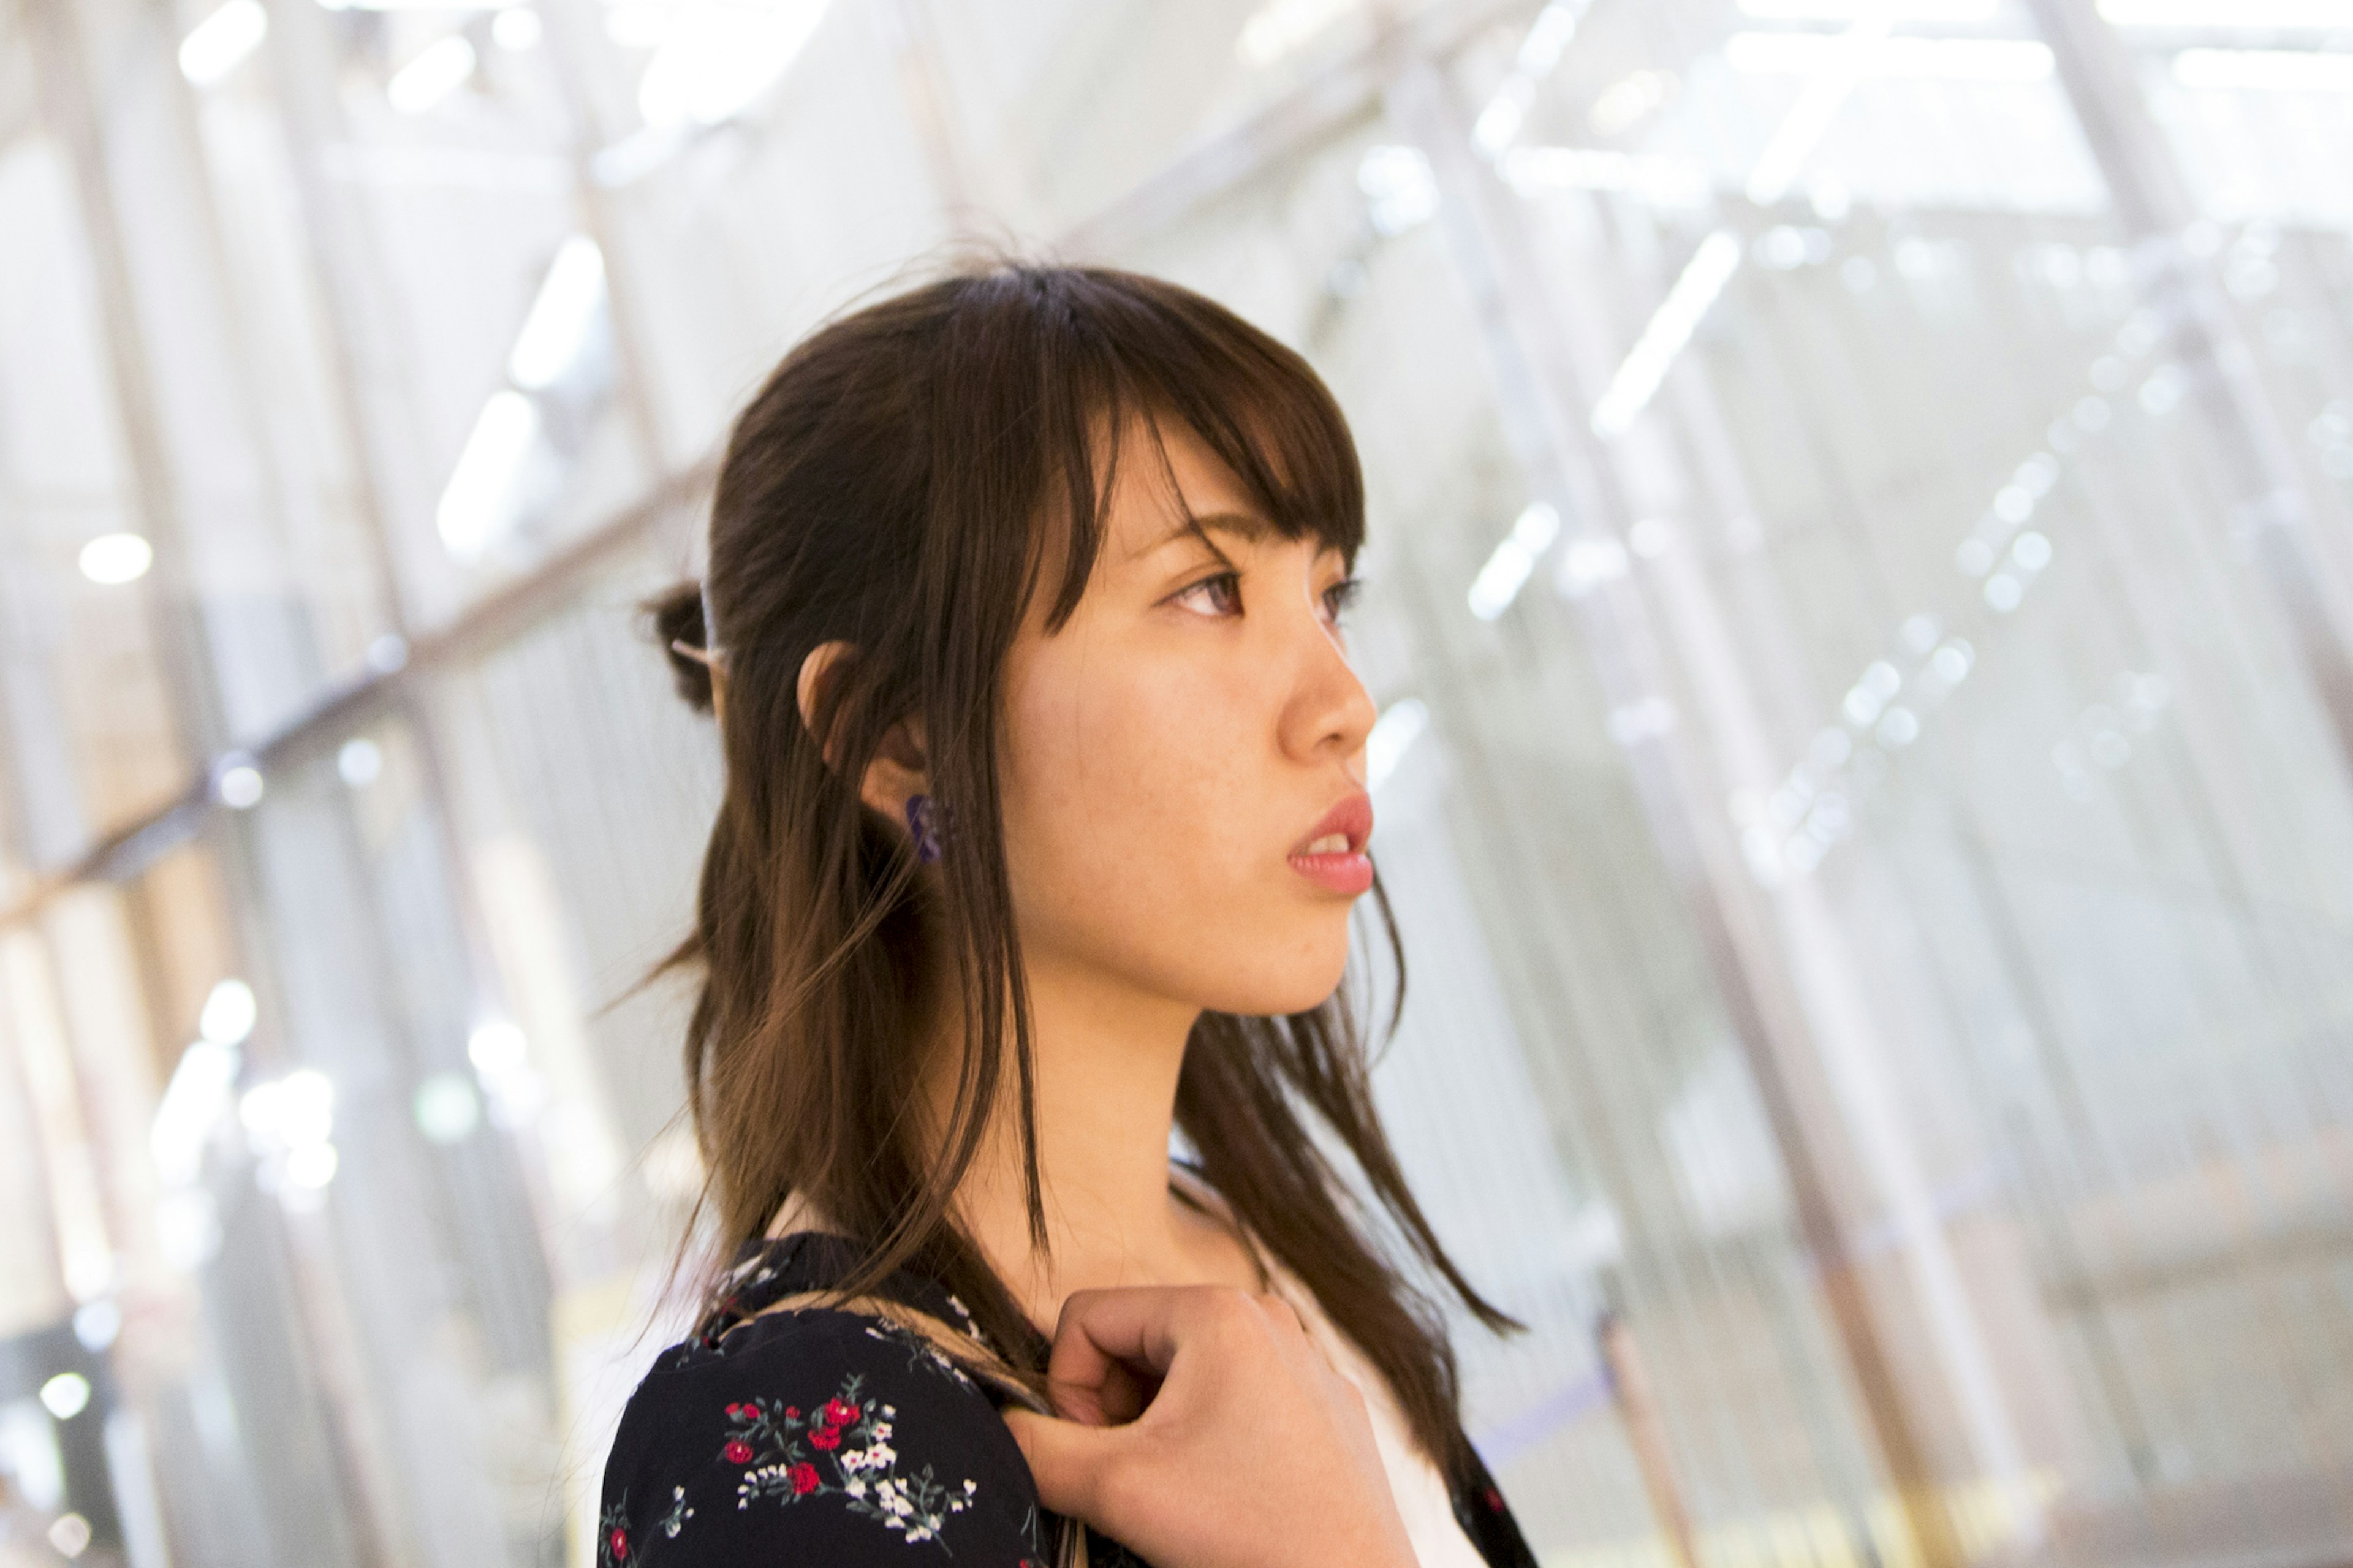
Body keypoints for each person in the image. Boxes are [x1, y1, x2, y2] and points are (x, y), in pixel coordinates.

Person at [602, 262, 1537, 1568]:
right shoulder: (798, 1451)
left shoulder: (1265, 1257)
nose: (1343, 701)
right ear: (901, 734)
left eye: (1326, 596)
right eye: (1209, 589)